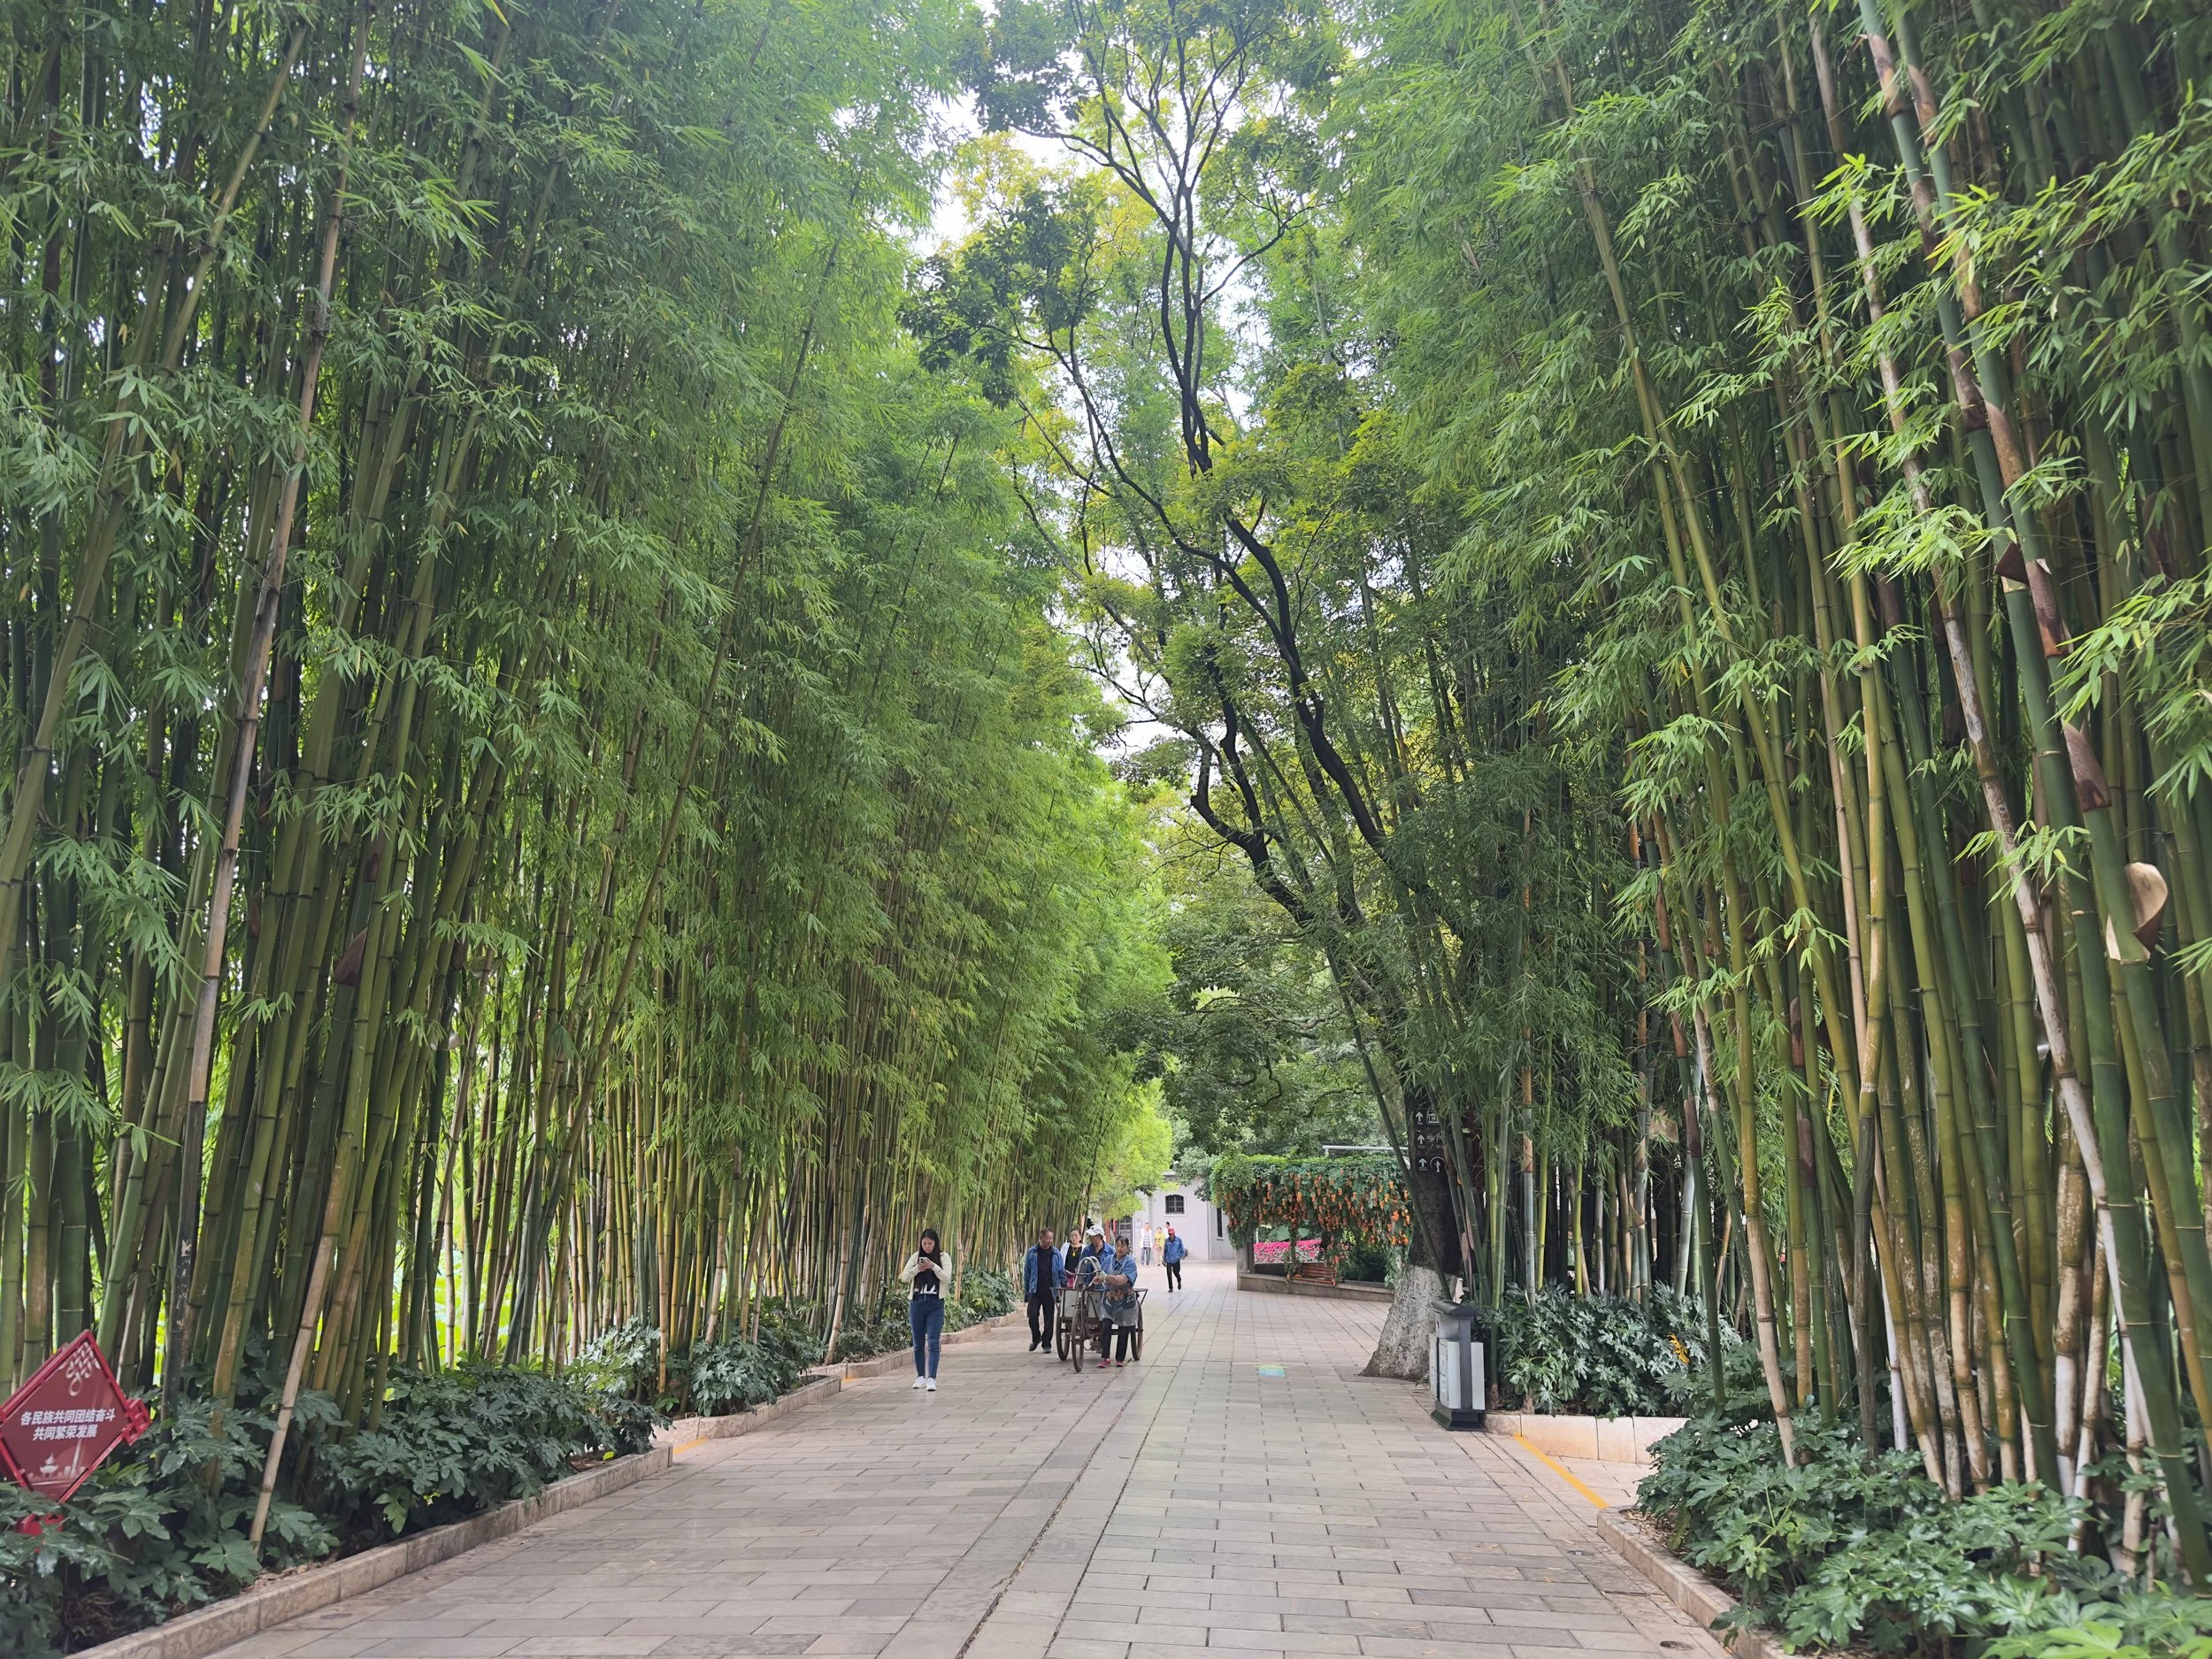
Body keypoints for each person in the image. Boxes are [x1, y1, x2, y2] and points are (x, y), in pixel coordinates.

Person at [901, 1227, 949, 1391]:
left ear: (936, 1244)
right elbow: (904, 1277)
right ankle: (920, 1376)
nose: (927, 1246)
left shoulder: (943, 1257)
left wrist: (933, 1266)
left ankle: (932, 1379)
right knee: (918, 1342)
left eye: (930, 1243)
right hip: (917, 1302)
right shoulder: (916, 1257)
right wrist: (918, 1269)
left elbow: (947, 1278)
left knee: (934, 1342)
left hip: (936, 1303)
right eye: (924, 1243)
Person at [1095, 1228, 1139, 1366]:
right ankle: (1106, 1358)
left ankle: (1120, 1359)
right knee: (1106, 1325)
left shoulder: (1130, 1263)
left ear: (1127, 1248)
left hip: (1126, 1300)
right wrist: (1096, 1279)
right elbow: (1099, 1275)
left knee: (1123, 1329)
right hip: (1109, 1299)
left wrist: (1107, 1277)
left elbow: (1123, 1279)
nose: (1120, 1248)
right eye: (1118, 1245)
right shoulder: (1108, 1260)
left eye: (1123, 1246)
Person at [1023, 1227, 1061, 1353]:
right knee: (1032, 1316)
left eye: (1051, 1238)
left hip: (1050, 1291)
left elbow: (1061, 1271)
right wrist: (1027, 1290)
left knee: (1049, 1319)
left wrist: (1062, 1288)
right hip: (1035, 1291)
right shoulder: (1032, 1252)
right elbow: (1027, 1272)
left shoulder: (1055, 1253)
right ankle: (1036, 1337)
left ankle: (1047, 1344)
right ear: (1041, 1238)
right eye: (1047, 1238)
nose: (1050, 1241)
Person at [1162, 1222, 1186, 1291]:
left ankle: (1179, 1280)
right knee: (1169, 1274)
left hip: (1176, 1259)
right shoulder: (1167, 1241)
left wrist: (1180, 1256)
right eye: (1169, 1234)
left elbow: (1182, 1249)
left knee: (1176, 1272)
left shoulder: (1178, 1240)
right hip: (1169, 1260)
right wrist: (1164, 1259)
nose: (1171, 1235)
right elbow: (1165, 1251)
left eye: (1172, 1234)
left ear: (1174, 1234)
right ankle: (1171, 1288)